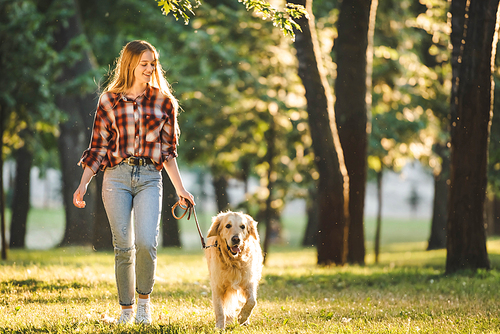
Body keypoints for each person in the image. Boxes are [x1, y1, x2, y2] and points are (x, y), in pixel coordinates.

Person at [73, 40, 194, 325]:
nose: (150, 69)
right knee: (123, 246)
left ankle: (143, 305)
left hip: (150, 178)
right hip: (116, 178)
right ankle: (126, 311)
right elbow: (98, 148)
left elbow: (167, 153)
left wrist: (181, 189)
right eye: (144, 64)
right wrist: (83, 184)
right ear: (129, 65)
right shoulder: (109, 100)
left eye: (153, 63)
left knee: (146, 243)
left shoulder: (164, 102)